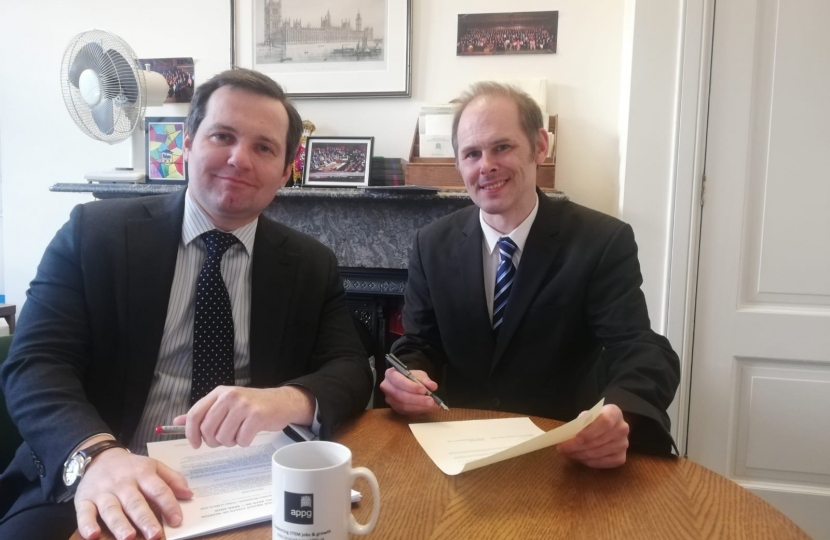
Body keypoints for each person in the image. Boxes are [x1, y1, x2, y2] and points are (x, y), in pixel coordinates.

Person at [0, 69, 373, 540]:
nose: (239, 159)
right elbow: (35, 364)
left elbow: (351, 367)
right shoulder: (94, 234)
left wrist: (284, 400)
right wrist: (96, 454)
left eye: (264, 147)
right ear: (188, 144)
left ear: (285, 170)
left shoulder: (311, 263)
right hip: (102, 472)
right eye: (223, 136)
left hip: (244, 486)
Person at [380, 81, 680, 469]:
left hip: (561, 449)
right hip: (459, 448)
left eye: (502, 147)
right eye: (472, 153)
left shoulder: (602, 241)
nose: (485, 165)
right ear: (458, 164)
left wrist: (621, 412)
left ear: (540, 145)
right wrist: (411, 375)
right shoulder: (431, 244)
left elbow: (641, 349)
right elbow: (420, 343)